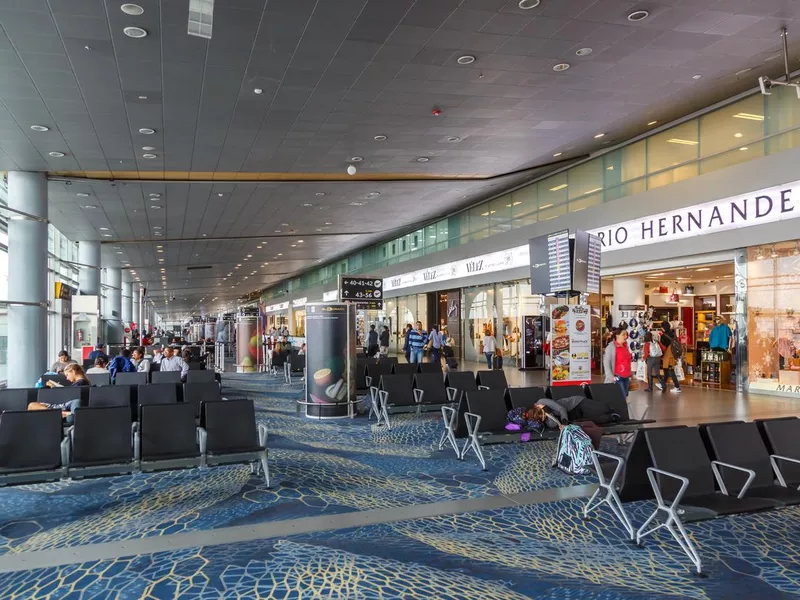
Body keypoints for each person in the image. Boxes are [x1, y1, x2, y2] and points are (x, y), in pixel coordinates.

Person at [603, 328, 632, 397]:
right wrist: (611, 377)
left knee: (624, 397)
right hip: (617, 377)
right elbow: (606, 363)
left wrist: (631, 375)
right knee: (621, 398)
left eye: (626, 335)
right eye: (623, 335)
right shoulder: (611, 347)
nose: (626, 337)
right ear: (617, 336)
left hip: (627, 377)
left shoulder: (625, 346)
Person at [659, 322, 682, 393]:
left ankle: (677, 387)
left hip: (668, 355)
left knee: (671, 370)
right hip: (673, 354)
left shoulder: (664, 336)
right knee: (666, 369)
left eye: (662, 327)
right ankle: (662, 384)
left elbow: (663, 347)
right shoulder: (673, 333)